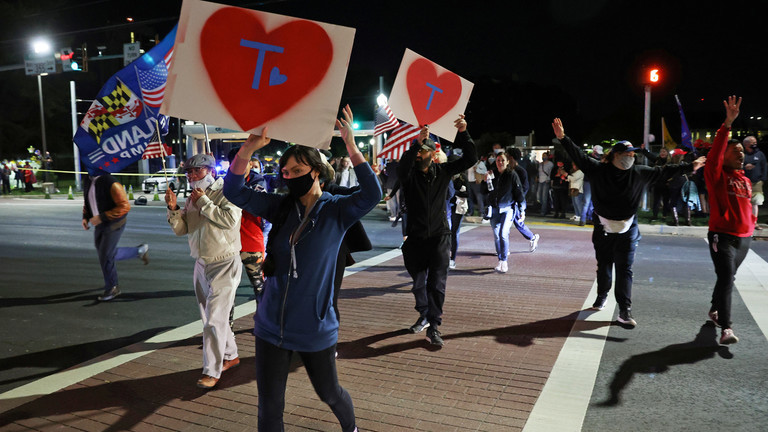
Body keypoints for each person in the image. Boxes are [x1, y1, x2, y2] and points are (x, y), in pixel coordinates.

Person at [223, 106, 377, 432]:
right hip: (270, 327)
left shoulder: (337, 210)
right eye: (286, 172)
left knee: (329, 393)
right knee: (269, 410)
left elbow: (372, 194)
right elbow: (234, 191)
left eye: (297, 170)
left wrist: (351, 145)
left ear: (317, 170)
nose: (290, 176)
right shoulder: (280, 207)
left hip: (315, 328)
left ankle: (351, 428)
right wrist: (247, 149)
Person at [552, 117, 705, 327]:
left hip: (628, 228)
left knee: (625, 268)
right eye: (628, 153)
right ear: (615, 155)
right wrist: (562, 138)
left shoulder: (639, 173)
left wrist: (691, 166)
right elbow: (578, 153)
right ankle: (602, 296)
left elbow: (664, 171)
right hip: (603, 227)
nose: (632, 156)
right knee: (604, 265)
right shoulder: (598, 170)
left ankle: (624, 310)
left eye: (633, 153)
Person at [397, 116, 477, 346]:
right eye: (418, 152)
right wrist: (415, 144)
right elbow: (402, 169)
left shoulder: (443, 172)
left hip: (440, 237)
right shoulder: (409, 175)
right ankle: (423, 313)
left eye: (424, 151)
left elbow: (471, 158)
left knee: (437, 284)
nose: (420, 155)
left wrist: (464, 132)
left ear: (433, 155)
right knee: (418, 284)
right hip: (415, 239)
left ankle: (433, 326)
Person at [165, 153, 243, 390]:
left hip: (225, 262)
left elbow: (230, 220)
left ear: (210, 171)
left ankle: (212, 370)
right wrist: (174, 209)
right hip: (201, 263)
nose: (191, 176)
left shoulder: (227, 191)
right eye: (188, 172)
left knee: (214, 319)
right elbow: (182, 230)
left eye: (196, 171)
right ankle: (231, 355)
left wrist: (204, 203)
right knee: (210, 317)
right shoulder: (192, 197)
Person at [705, 96, 755, 345]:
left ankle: (714, 310)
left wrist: (753, 223)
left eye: (741, 152)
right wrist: (727, 124)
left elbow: (748, 207)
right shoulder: (716, 175)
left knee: (727, 277)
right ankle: (726, 327)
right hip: (721, 235)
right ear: (722, 156)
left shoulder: (744, 179)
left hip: (744, 238)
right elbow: (713, 155)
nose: (740, 155)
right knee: (726, 277)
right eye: (734, 152)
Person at [82, 170, 149, 302]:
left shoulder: (111, 182)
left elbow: (124, 206)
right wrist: (85, 217)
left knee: (106, 255)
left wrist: (102, 217)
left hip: (114, 223)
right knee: (105, 254)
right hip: (100, 223)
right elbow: (88, 200)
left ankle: (113, 287)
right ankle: (138, 251)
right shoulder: (88, 180)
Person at [487, 152, 525, 273]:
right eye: (498, 160)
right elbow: (486, 191)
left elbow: (519, 192)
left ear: (508, 161)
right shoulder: (492, 174)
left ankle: (504, 260)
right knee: (497, 235)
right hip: (494, 208)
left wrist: (522, 209)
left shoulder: (512, 175)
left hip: (508, 208)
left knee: (503, 233)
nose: (500, 162)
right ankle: (500, 260)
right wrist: (486, 181)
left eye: (503, 160)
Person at [506, 147, 539, 252]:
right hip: (507, 201)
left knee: (518, 223)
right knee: (503, 225)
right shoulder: (506, 170)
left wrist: (518, 199)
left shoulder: (521, 171)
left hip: (516, 201)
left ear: (510, 157)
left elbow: (525, 187)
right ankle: (503, 249)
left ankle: (532, 237)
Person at [742, 135, 766, 230]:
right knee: (744, 203)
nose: (755, 144)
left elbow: (764, 166)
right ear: (746, 144)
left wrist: (763, 179)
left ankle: (754, 222)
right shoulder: (742, 154)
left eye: (755, 142)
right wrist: (744, 168)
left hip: (757, 182)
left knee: (755, 202)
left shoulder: (760, 154)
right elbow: (736, 167)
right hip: (744, 182)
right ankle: (745, 222)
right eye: (752, 142)